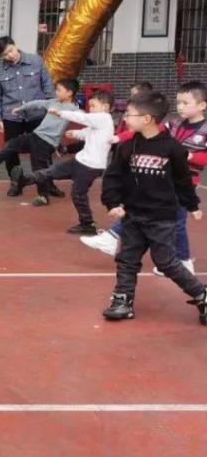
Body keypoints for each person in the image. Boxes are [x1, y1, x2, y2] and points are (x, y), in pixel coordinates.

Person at [99, 91, 207, 325]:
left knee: (166, 262)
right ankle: (122, 300)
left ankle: (202, 295)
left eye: (130, 114)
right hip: (133, 216)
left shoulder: (173, 149)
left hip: (161, 218)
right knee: (127, 259)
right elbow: (113, 177)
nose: (125, 118)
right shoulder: (126, 147)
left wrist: (192, 205)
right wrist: (112, 203)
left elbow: (182, 180)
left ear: (147, 119)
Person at [82, 81, 207, 269]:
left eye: (185, 103)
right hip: (162, 178)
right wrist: (119, 137)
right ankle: (112, 238)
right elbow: (144, 131)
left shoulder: (204, 130)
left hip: (185, 180)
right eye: (178, 102)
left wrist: (189, 156)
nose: (180, 107)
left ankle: (183, 261)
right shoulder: (173, 124)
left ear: (202, 105)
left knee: (176, 221)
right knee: (143, 208)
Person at [12, 90, 115, 235]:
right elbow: (87, 132)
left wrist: (61, 113)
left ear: (105, 107)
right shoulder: (98, 122)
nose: (91, 109)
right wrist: (76, 134)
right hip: (80, 161)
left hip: (91, 167)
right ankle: (24, 180)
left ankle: (87, 224)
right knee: (51, 171)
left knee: (78, 194)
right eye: (90, 106)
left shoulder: (104, 118)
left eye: (93, 106)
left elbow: (82, 118)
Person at [0, 78, 79, 203]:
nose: (56, 93)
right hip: (35, 136)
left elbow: (83, 117)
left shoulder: (73, 109)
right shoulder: (53, 102)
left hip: (47, 143)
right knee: (12, 144)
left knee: (39, 168)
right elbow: (37, 103)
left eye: (59, 90)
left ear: (69, 93)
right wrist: (21, 108)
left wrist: (80, 130)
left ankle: (43, 196)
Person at [0, 36, 54, 188]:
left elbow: (47, 86)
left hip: (36, 114)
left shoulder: (36, 61)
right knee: (10, 151)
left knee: (42, 150)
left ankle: (47, 184)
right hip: (12, 117)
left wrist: (52, 108)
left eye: (10, 50)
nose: (10, 55)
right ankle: (16, 183)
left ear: (15, 45)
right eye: (5, 55)